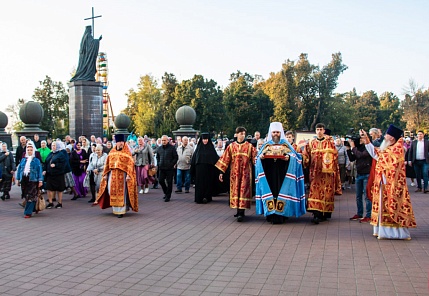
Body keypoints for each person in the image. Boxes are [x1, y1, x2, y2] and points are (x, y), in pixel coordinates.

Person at [361, 124, 416, 240]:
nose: (385, 137)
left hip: (393, 185)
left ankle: (398, 233)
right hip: (382, 183)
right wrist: (366, 140)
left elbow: (391, 164)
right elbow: (376, 154)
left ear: (392, 138)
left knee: (393, 207)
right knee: (382, 208)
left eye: (387, 135)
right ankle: (384, 232)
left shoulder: (397, 149)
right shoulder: (386, 148)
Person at [255, 122, 306, 224]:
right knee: (271, 193)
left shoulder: (285, 144)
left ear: (280, 133)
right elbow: (257, 160)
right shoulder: (266, 145)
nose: (275, 134)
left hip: (283, 175)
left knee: (281, 194)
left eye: (277, 132)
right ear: (271, 133)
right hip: (269, 175)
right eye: (274, 132)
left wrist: (289, 158)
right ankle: (270, 215)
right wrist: (261, 158)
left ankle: (282, 215)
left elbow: (297, 158)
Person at [215, 127, 257, 222]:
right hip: (234, 173)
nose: (242, 135)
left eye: (244, 134)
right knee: (235, 191)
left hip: (246, 173)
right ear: (236, 134)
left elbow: (255, 159)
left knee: (243, 191)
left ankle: (241, 213)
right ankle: (238, 211)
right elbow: (225, 159)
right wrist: (221, 172)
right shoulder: (231, 146)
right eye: (241, 133)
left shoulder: (249, 146)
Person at [303, 123, 342, 224]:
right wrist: (304, 159)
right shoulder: (311, 143)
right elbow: (306, 155)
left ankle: (325, 213)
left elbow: (335, 155)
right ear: (315, 131)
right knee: (315, 192)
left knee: (327, 193)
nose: (319, 131)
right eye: (317, 129)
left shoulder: (330, 142)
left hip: (327, 173)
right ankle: (316, 214)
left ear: (324, 131)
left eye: (321, 129)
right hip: (315, 173)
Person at [93, 134, 138, 218]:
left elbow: (130, 164)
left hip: (123, 175)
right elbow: (107, 163)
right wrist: (105, 174)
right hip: (112, 175)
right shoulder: (112, 152)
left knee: (122, 193)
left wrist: (128, 174)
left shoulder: (127, 152)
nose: (121, 143)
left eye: (122, 142)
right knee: (111, 191)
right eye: (119, 142)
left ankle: (121, 211)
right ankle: (115, 209)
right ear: (116, 142)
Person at [346, 136, 373, 223]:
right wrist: (348, 149)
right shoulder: (359, 148)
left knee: (366, 195)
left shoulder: (369, 148)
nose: (361, 140)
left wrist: (353, 147)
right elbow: (352, 158)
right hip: (359, 173)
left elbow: (360, 155)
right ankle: (359, 213)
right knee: (358, 196)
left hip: (367, 173)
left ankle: (369, 215)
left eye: (363, 139)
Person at [16, 142, 43, 218]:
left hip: (33, 179)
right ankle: (34, 208)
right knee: (26, 195)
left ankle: (28, 212)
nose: (29, 151)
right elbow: (19, 170)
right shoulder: (23, 160)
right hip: (24, 179)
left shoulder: (36, 160)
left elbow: (39, 170)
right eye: (28, 150)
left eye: (31, 150)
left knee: (30, 196)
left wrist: (40, 180)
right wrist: (18, 179)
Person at [190, 133, 219, 204]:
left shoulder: (211, 148)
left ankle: (207, 197)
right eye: (203, 139)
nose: (205, 141)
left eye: (206, 139)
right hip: (199, 170)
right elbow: (194, 159)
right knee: (199, 184)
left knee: (208, 183)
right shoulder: (198, 148)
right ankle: (199, 198)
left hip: (209, 170)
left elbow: (215, 158)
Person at [45, 141, 68, 209]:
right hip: (50, 174)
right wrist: (44, 170)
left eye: (54, 145)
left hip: (58, 174)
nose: (53, 147)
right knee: (49, 188)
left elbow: (63, 164)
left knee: (59, 189)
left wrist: (56, 165)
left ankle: (59, 202)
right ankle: (50, 202)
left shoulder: (61, 154)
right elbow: (46, 162)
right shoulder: (50, 154)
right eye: (52, 145)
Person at [156, 135, 178, 202]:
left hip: (169, 168)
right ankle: (166, 192)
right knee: (161, 180)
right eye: (162, 140)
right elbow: (157, 157)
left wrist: (171, 164)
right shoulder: (159, 148)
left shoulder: (172, 148)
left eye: (165, 140)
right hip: (162, 168)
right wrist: (159, 163)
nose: (163, 142)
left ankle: (168, 196)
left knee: (169, 182)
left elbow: (176, 157)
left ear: (167, 140)